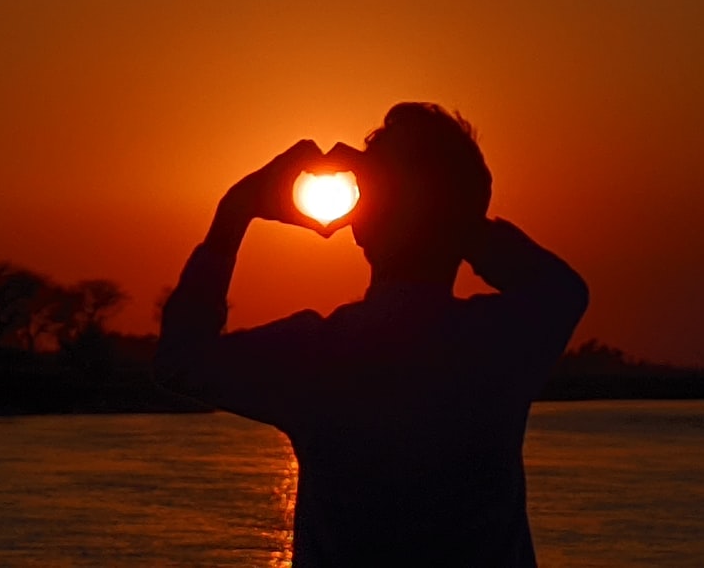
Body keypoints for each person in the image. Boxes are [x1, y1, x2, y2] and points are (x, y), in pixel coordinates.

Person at [154, 103, 588, 567]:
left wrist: (235, 212)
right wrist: (446, 212)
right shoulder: (501, 343)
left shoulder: (315, 357)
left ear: (362, 226)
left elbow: (181, 359)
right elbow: (561, 288)